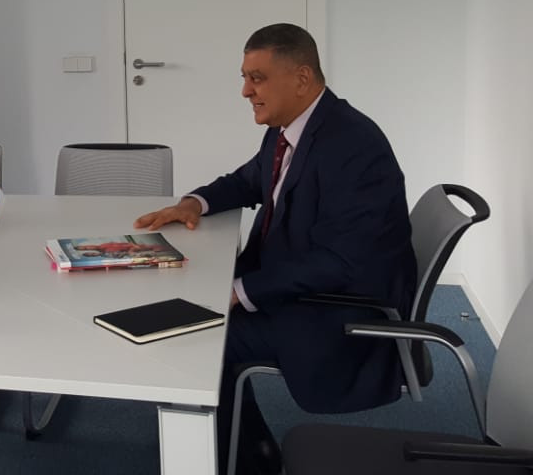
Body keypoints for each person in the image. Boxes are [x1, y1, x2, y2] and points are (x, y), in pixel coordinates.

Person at [133, 23, 415, 475]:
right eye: (245, 78)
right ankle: (248, 448)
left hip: (335, 311)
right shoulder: (291, 127)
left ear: (301, 78)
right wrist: (194, 203)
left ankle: (242, 459)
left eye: (257, 78)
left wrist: (240, 291)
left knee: (194, 337)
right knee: (189, 306)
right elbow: (250, 179)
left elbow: (341, 262)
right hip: (302, 285)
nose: (246, 91)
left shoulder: (354, 147)